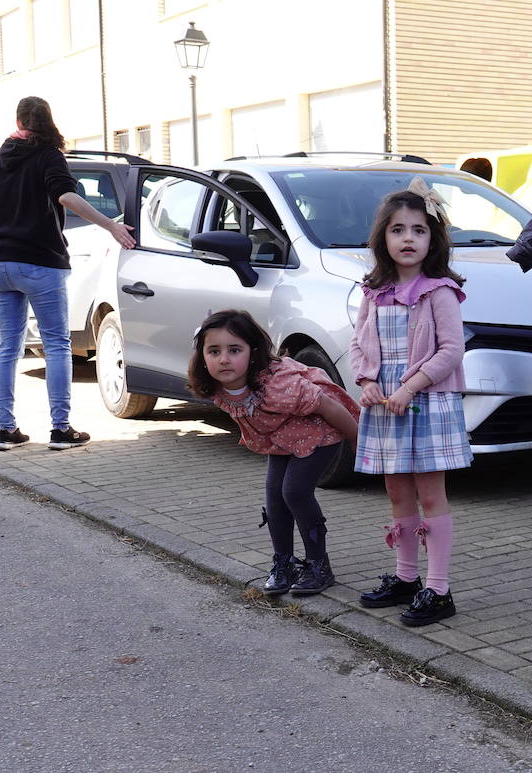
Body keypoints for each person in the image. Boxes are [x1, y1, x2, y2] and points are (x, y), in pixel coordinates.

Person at [0, 96, 135, 451]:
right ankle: (60, 430)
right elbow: (67, 197)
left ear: (18, 121)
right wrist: (111, 226)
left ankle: (5, 430)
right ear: (48, 120)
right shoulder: (49, 155)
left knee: (8, 347)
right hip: (39, 262)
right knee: (57, 344)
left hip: (0, 265)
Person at [350, 180, 472, 627]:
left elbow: (451, 350)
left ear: (432, 239)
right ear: (382, 237)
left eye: (418, 230)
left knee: (430, 494)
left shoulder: (439, 290)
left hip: (426, 402)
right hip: (385, 404)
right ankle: (406, 578)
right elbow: (359, 344)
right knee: (396, 491)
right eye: (398, 229)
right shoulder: (372, 292)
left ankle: (438, 590)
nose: (408, 238)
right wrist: (366, 381)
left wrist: (409, 388)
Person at [187, 310, 359, 596]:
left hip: (319, 431)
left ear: (253, 353)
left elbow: (328, 405)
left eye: (234, 350)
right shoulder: (217, 385)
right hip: (282, 438)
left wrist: (356, 438)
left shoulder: (280, 385)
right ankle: (284, 563)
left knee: (295, 491)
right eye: (214, 351)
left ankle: (319, 565)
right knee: (274, 494)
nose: (224, 359)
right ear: (202, 356)